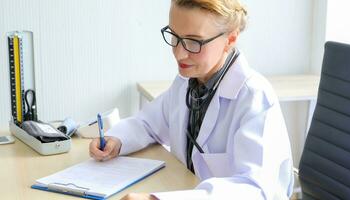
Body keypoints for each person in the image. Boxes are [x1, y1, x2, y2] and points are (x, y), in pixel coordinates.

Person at [89, 0, 294, 199]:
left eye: (193, 41)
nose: (179, 53)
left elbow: (255, 190)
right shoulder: (186, 83)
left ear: (230, 39)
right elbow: (149, 123)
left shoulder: (254, 98)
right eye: (175, 36)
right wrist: (117, 140)